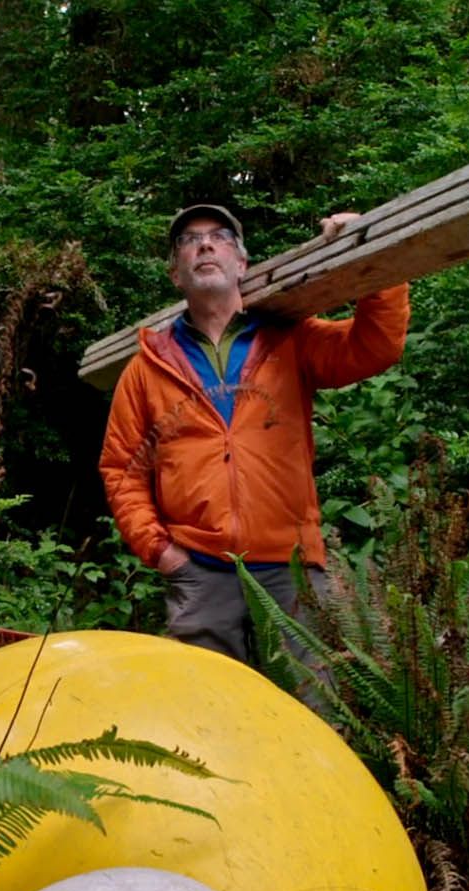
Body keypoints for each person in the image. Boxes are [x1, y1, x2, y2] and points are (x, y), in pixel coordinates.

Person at [98, 204, 411, 663]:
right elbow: (122, 469)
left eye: (219, 236)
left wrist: (369, 255)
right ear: (175, 275)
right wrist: (162, 551)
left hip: (291, 567)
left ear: (241, 263)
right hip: (199, 571)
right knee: (207, 711)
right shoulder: (148, 368)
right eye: (189, 240)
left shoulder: (290, 340)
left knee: (309, 707)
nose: (204, 244)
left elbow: (375, 347)